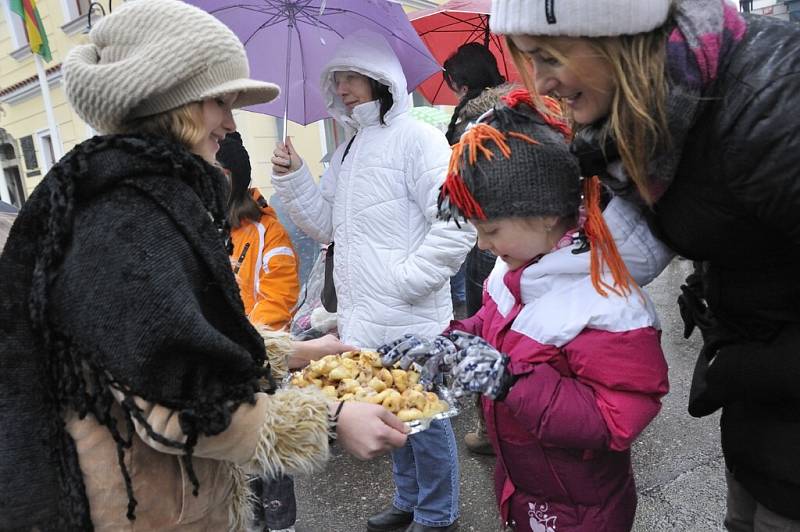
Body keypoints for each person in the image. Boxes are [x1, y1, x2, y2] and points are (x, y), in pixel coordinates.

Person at [0, 2, 406, 530]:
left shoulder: (142, 194)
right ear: (175, 103)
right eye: (221, 101)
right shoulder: (129, 216)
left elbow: (181, 336)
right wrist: (329, 417)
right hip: (143, 505)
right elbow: (178, 402)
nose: (231, 122)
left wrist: (299, 351)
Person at [491, 0, 800, 528]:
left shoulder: (772, 113)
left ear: (617, 37)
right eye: (528, 61)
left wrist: (751, 365)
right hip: (759, 397)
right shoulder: (643, 124)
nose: (541, 83)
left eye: (547, 56)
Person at [381, 93, 670, 531]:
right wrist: (452, 341)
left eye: (491, 229)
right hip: (524, 487)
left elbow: (617, 416)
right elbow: (491, 327)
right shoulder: (517, 270)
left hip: (582, 510)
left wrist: (510, 380)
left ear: (547, 213)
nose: (481, 245)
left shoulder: (607, 301)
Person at [271, 29, 475, 532]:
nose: (341, 89)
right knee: (390, 416)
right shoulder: (348, 150)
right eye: (335, 80)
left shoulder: (418, 139)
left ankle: (436, 514)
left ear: (380, 78)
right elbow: (325, 226)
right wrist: (295, 174)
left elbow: (457, 219)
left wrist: (410, 281)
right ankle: (408, 501)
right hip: (364, 318)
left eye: (350, 77)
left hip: (409, 314)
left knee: (425, 420)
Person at [442, 41, 517, 456]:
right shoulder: (521, 109)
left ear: (463, 82)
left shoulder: (471, 122)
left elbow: (459, 183)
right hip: (525, 235)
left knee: (487, 325)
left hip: (485, 235)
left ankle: (492, 426)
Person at [220, 131, 300, 332]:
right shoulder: (196, 226)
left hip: (253, 353)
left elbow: (279, 301)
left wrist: (243, 341)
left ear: (232, 179)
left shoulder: (269, 233)